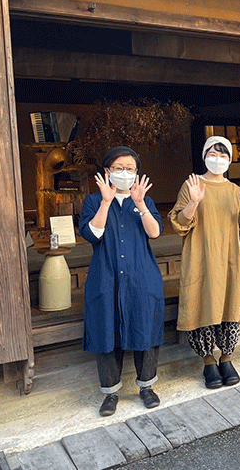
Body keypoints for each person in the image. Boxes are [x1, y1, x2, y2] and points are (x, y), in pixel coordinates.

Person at [79, 146, 164, 417]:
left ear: (137, 174)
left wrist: (140, 204)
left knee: (145, 327)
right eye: (118, 168)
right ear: (107, 171)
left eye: (130, 169)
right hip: (106, 276)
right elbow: (93, 234)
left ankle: (147, 387)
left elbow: (155, 232)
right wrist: (106, 202)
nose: (124, 173)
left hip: (141, 276)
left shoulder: (144, 201)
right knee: (106, 329)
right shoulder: (93, 201)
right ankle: (110, 393)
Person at [168, 136, 240, 389]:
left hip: (228, 258)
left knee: (229, 304)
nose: (217, 159)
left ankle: (227, 358)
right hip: (200, 257)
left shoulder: (234, 190)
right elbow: (180, 224)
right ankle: (209, 362)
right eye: (213, 154)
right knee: (200, 303)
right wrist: (194, 202)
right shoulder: (192, 185)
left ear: (230, 160)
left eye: (223, 155)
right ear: (204, 155)